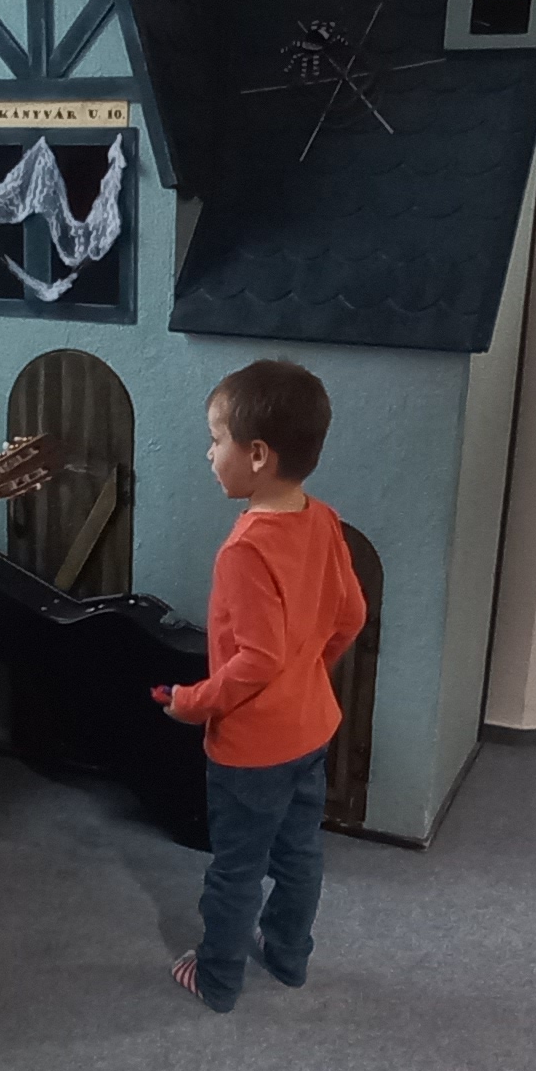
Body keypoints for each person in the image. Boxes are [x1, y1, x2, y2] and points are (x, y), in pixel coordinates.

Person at [154, 360, 367, 1012]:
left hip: (251, 751)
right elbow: (351, 615)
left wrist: (192, 703)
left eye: (216, 439)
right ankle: (288, 956)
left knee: (237, 867)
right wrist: (310, 674)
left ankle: (217, 977)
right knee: (300, 855)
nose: (209, 453)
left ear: (256, 455)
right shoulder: (323, 519)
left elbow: (256, 662)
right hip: (311, 730)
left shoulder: (245, 549)